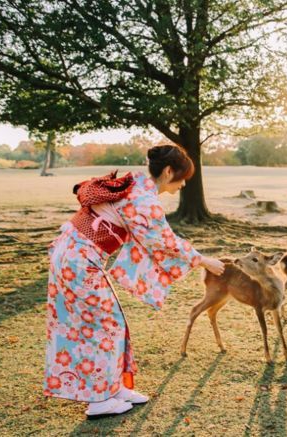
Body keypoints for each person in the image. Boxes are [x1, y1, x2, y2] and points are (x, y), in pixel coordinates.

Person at [43, 144, 225, 419]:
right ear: (167, 172)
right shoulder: (142, 200)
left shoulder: (138, 183)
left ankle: (113, 388)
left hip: (75, 256)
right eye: (183, 177)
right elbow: (164, 241)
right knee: (103, 325)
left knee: (112, 322)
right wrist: (203, 260)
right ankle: (100, 400)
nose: (185, 183)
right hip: (78, 261)